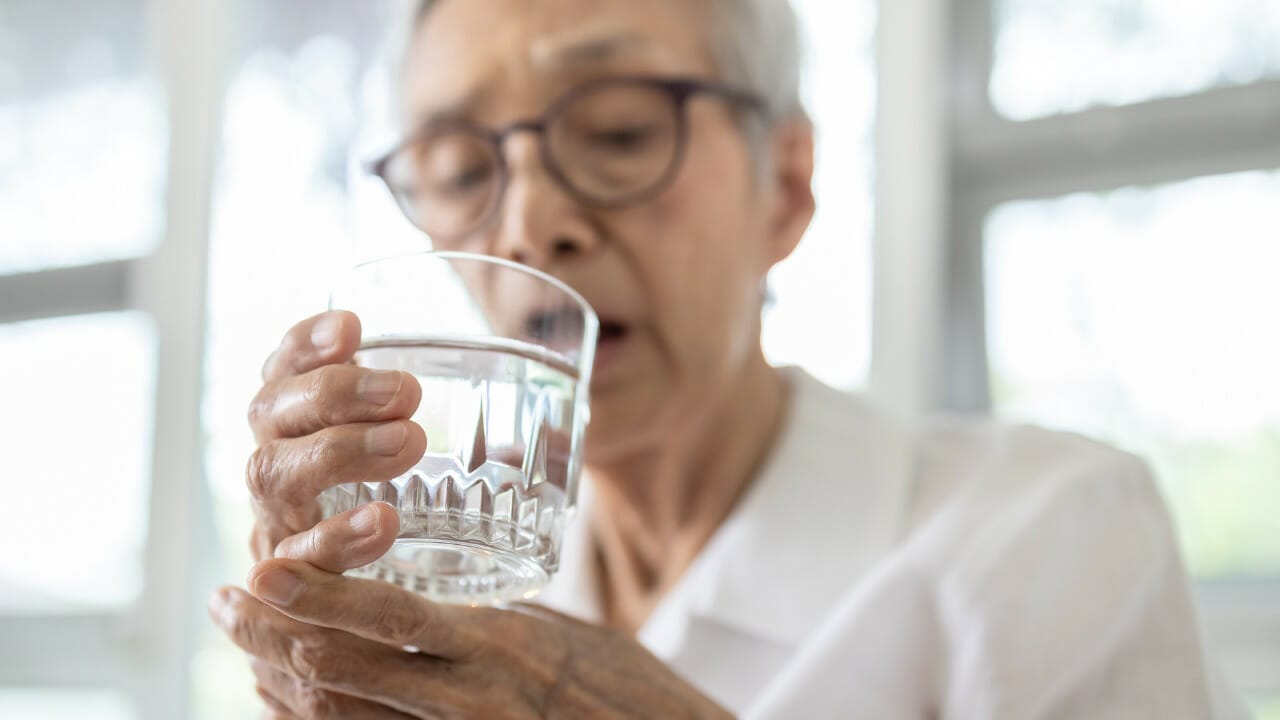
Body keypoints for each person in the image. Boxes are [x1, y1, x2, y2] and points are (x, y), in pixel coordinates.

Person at [208, 0, 1247, 717]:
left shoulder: (1050, 533)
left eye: (618, 134)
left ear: (785, 187)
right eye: (455, 166)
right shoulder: (450, 585)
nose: (529, 223)